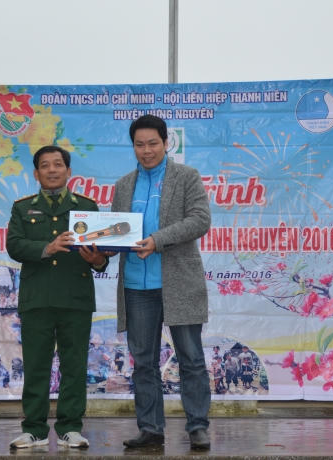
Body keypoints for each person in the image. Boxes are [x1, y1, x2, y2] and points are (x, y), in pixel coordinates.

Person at [111, 115, 212, 450]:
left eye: (153, 143)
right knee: (143, 363)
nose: (146, 150)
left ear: (166, 143)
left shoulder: (187, 177)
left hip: (179, 282)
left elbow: (200, 220)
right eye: (139, 144)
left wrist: (157, 240)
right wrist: (97, 245)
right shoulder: (124, 185)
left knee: (191, 359)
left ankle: (197, 426)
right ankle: (151, 429)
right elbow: (116, 231)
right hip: (136, 287)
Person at [6, 145, 108, 450]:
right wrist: (46, 248)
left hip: (75, 298)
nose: (52, 170)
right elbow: (14, 245)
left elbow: (102, 254)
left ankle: (70, 428)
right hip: (36, 298)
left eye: (58, 164)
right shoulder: (23, 208)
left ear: (68, 171)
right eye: (45, 165)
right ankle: (34, 430)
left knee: (74, 366)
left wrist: (98, 260)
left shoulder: (87, 207)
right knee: (36, 366)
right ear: (36, 173)